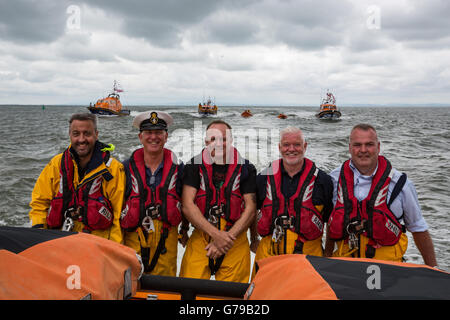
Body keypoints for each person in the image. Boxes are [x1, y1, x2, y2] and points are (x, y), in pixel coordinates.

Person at [325, 124, 437, 267]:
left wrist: (433, 269)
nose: (363, 150)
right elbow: (331, 220)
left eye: (369, 144)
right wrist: (327, 257)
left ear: (378, 146)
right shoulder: (334, 179)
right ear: (349, 148)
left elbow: (418, 228)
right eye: (357, 145)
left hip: (387, 272)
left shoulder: (401, 184)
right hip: (344, 270)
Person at [179, 120, 257, 283]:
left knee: (232, 298)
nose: (219, 143)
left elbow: (251, 208)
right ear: (206, 142)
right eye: (213, 139)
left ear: (231, 140)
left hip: (235, 239)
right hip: (202, 237)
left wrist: (226, 239)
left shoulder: (247, 169)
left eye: (224, 139)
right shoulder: (193, 166)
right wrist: (217, 236)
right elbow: (187, 204)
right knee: (188, 291)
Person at [29, 113, 125, 243]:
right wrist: (39, 237)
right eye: (76, 134)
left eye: (87, 133)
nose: (81, 139)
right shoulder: (56, 165)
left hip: (97, 247)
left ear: (96, 134)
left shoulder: (113, 169)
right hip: (59, 243)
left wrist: (112, 253)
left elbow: (118, 218)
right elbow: (39, 204)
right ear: (69, 135)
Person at [253, 127, 333, 273]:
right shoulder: (262, 178)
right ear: (279, 147)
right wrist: (253, 240)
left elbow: (331, 221)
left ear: (305, 146)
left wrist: (328, 254)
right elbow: (250, 210)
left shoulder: (323, 181)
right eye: (286, 145)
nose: (291, 149)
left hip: (309, 260)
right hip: (268, 257)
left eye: (297, 144)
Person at [120, 111, 183, 277]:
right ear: (140, 137)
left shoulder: (180, 168)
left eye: (158, 133)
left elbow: (187, 202)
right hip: (134, 238)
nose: (153, 137)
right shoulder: (124, 168)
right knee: (131, 288)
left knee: (165, 290)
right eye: (148, 132)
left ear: (166, 136)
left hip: (167, 240)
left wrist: (184, 231)